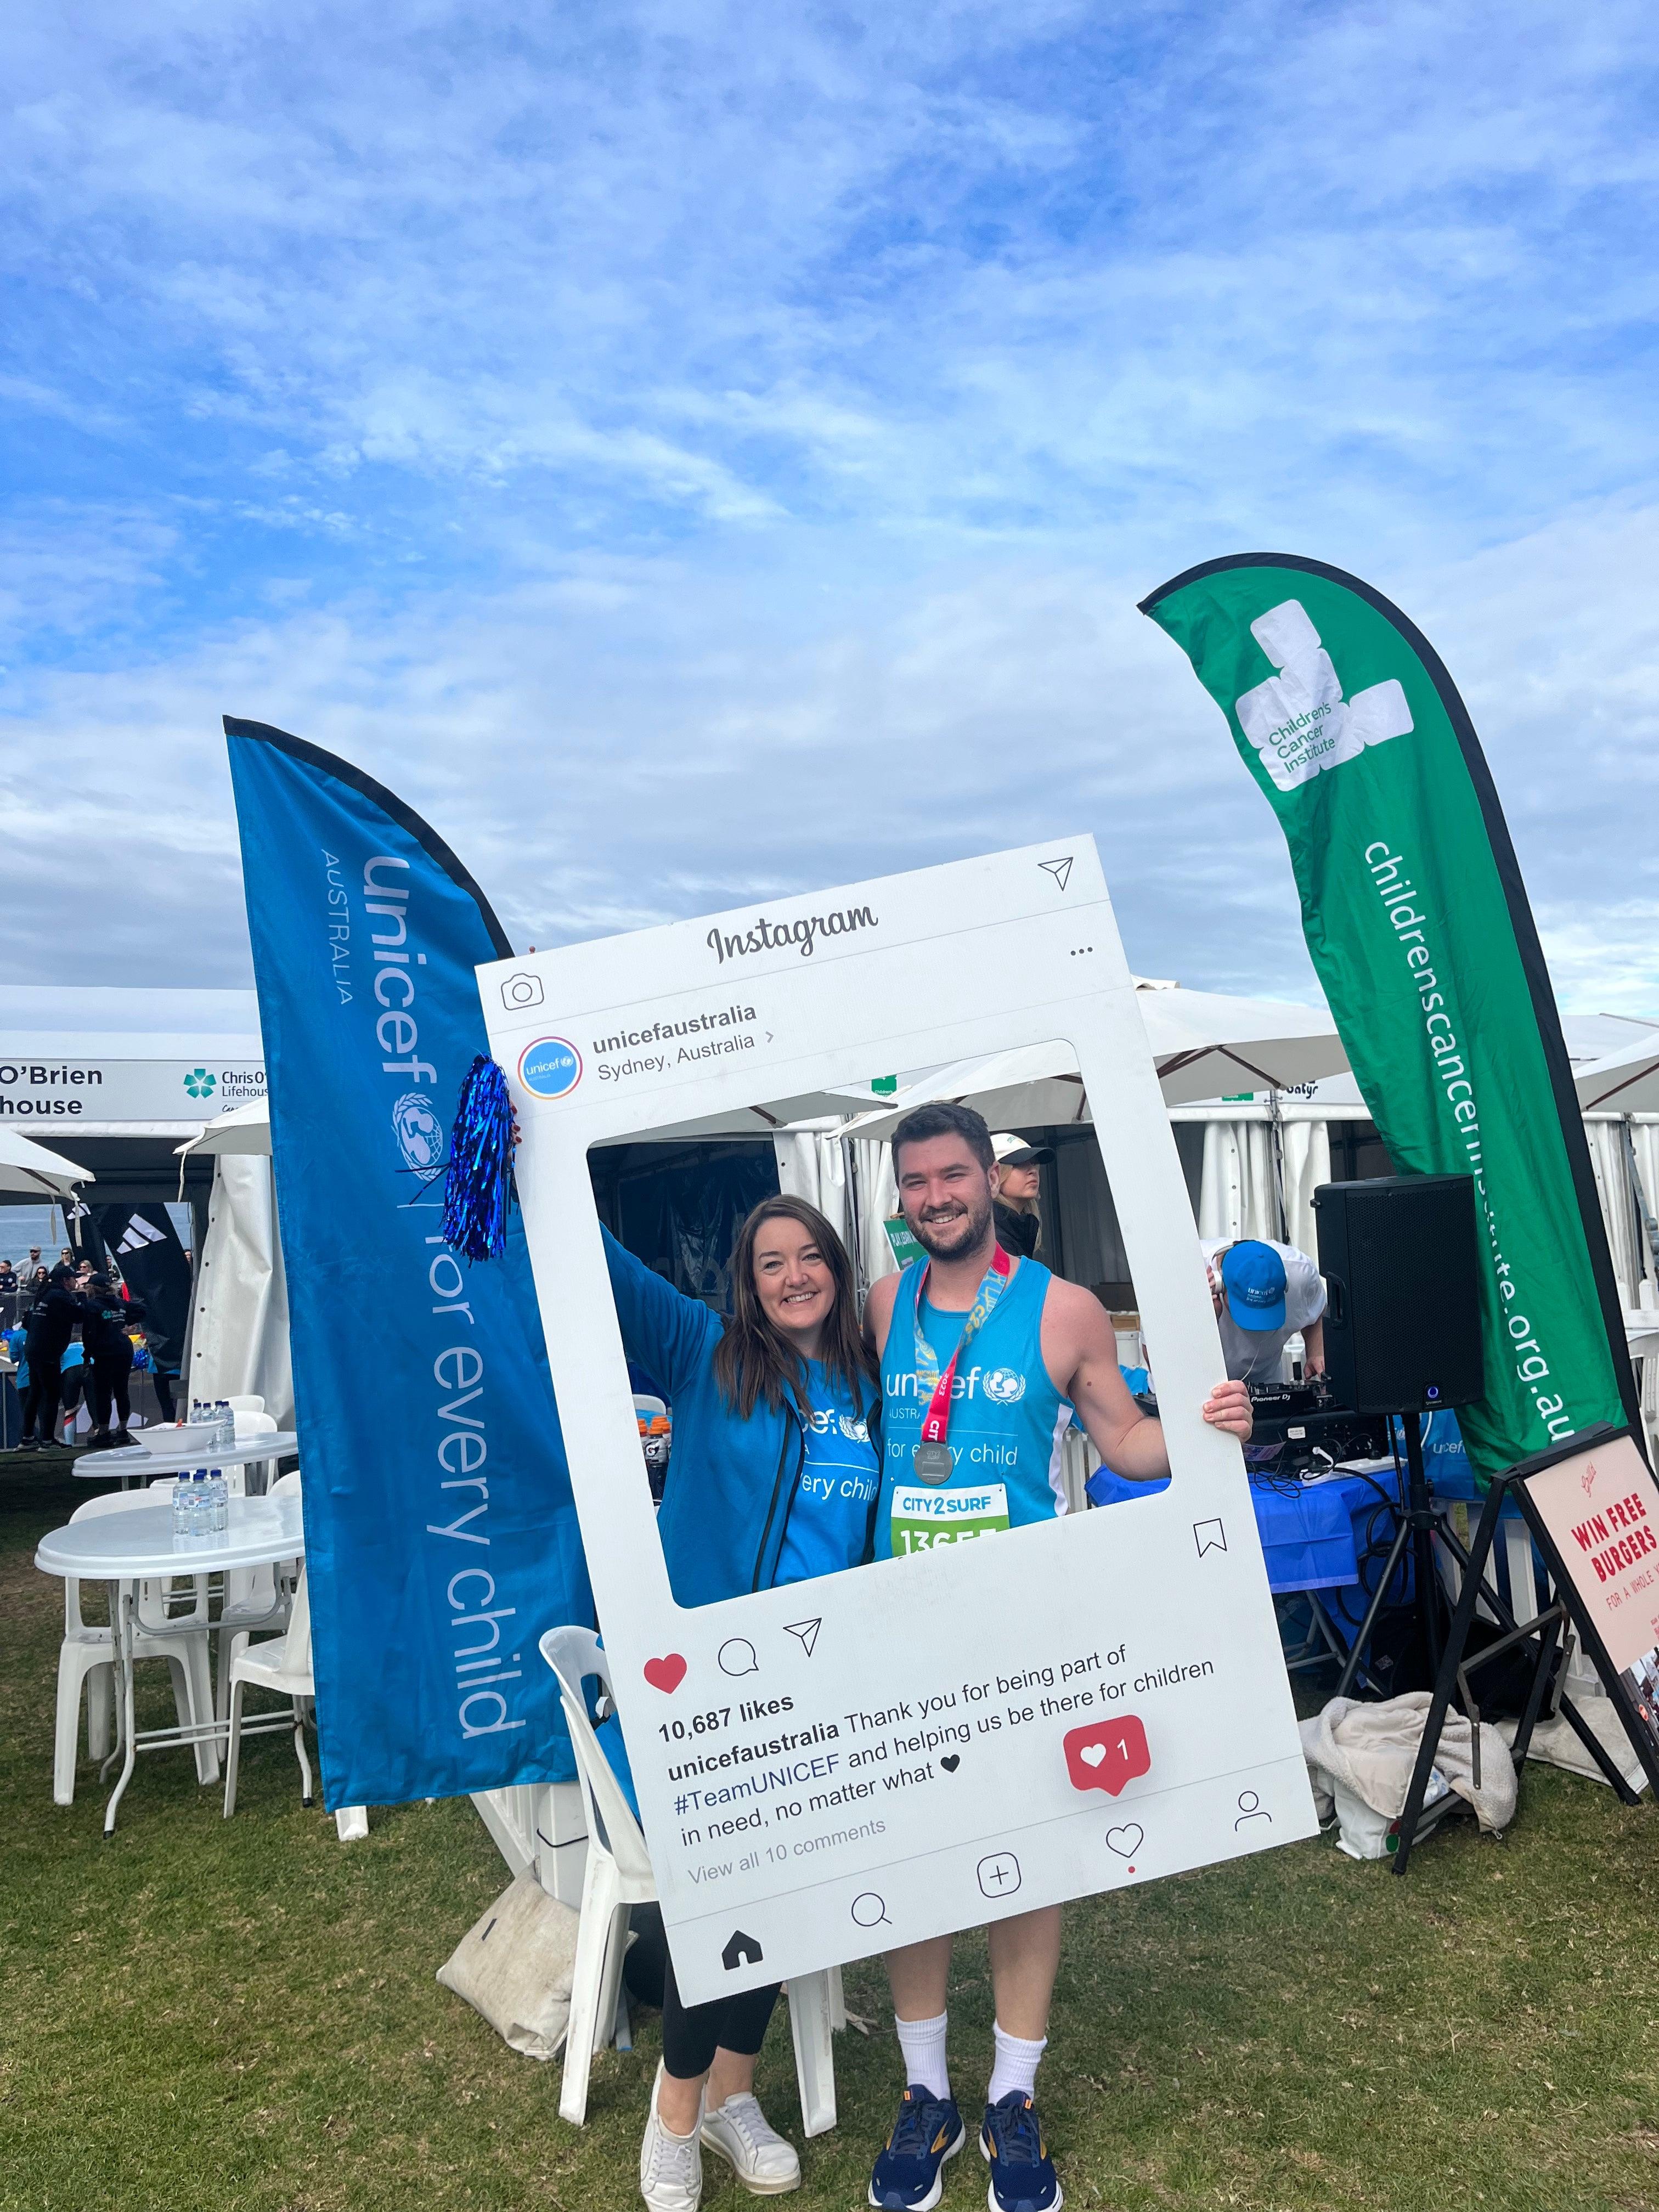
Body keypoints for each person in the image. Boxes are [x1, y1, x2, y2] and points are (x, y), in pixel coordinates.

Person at [861, 1103, 1252, 2212]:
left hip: (1025, 1633)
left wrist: (1209, 1421)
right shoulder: (882, 1305)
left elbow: (1124, 1442)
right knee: (921, 1862)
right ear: (902, 1196)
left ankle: (1013, 2099)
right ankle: (926, 2093)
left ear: (994, 1179)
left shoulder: (1067, 1309)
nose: (935, 1197)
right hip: (897, 1633)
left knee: (1030, 1861)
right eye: (917, 1182)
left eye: (953, 1176)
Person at [602, 1194, 882, 2212]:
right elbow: (606, 1272)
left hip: (819, 1691)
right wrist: (520, 1140)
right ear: (746, 1281)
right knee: (726, 1883)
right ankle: (676, 2112)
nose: (795, 1276)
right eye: (772, 1263)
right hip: (706, 1695)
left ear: (838, 1269)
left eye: (812, 1256)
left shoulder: (867, 1378)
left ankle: (730, 2095)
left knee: (782, 1889)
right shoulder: (705, 1351)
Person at [1200, 1237, 1326, 1385]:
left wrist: (1316, 1352)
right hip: (1204, 1387)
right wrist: (1206, 1318)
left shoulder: (1301, 1274)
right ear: (1220, 1283)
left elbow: (1317, 1310)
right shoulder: (1187, 1269)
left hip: (1267, 1383)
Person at [18, 1263, 85, 1451]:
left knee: (35, 1393)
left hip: (33, 1348)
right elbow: (78, 1316)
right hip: (47, 1351)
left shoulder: (43, 1295)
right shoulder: (60, 1295)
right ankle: (47, 1440)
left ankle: (27, 1438)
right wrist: (82, 1300)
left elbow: (27, 1322)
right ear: (65, 1281)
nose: (76, 1282)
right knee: (51, 1395)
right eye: (73, 1279)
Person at [81, 1272, 146, 1450]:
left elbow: (89, 1334)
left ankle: (103, 1433)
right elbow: (141, 1309)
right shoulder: (119, 1303)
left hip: (105, 1353)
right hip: (124, 1350)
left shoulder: (93, 1306)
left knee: (103, 1394)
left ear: (92, 1288)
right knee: (121, 1391)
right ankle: (123, 1431)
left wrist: (87, 1356)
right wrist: (125, 1324)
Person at [988, 1133, 1052, 1260]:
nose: (1032, 1170)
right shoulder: (995, 1238)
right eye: (1018, 1164)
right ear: (994, 1176)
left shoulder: (1014, 1227)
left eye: (1033, 1163)